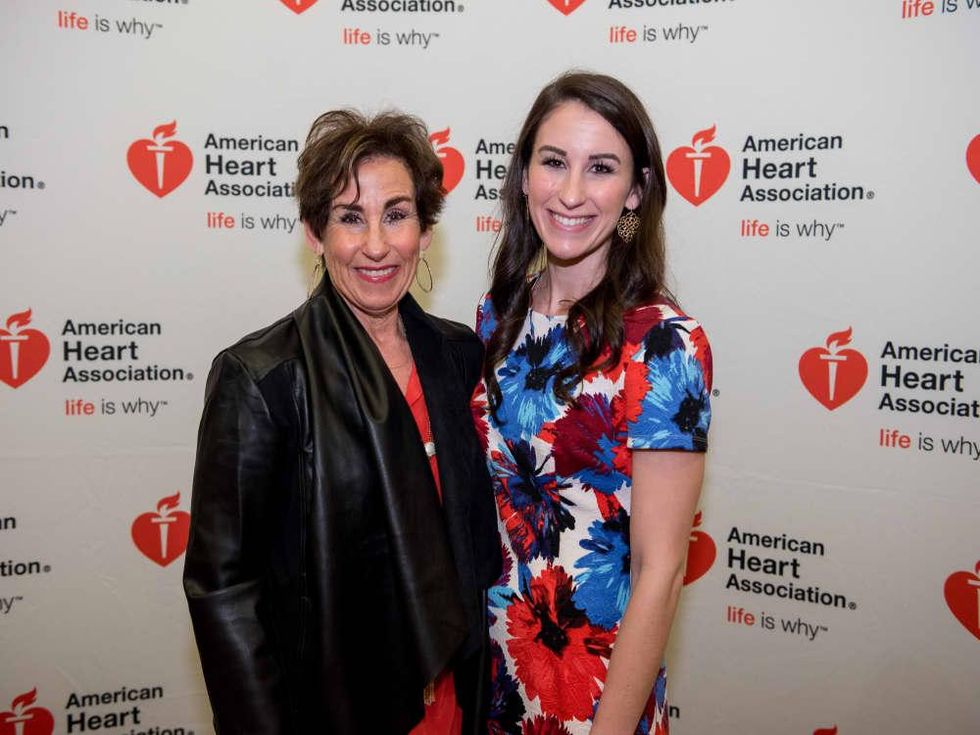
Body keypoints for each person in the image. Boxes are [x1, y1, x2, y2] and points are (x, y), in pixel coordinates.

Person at [183, 109, 501, 735]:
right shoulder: (263, 379)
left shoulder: (459, 355)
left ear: (426, 228)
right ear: (314, 231)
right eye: (350, 217)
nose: (377, 245)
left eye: (398, 214)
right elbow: (224, 592)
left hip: (459, 705)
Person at [473, 72, 712, 735]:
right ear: (524, 176)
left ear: (635, 191)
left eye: (601, 168)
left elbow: (659, 570)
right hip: (494, 682)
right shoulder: (496, 319)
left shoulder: (663, 344)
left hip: (599, 695)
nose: (572, 192)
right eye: (554, 162)